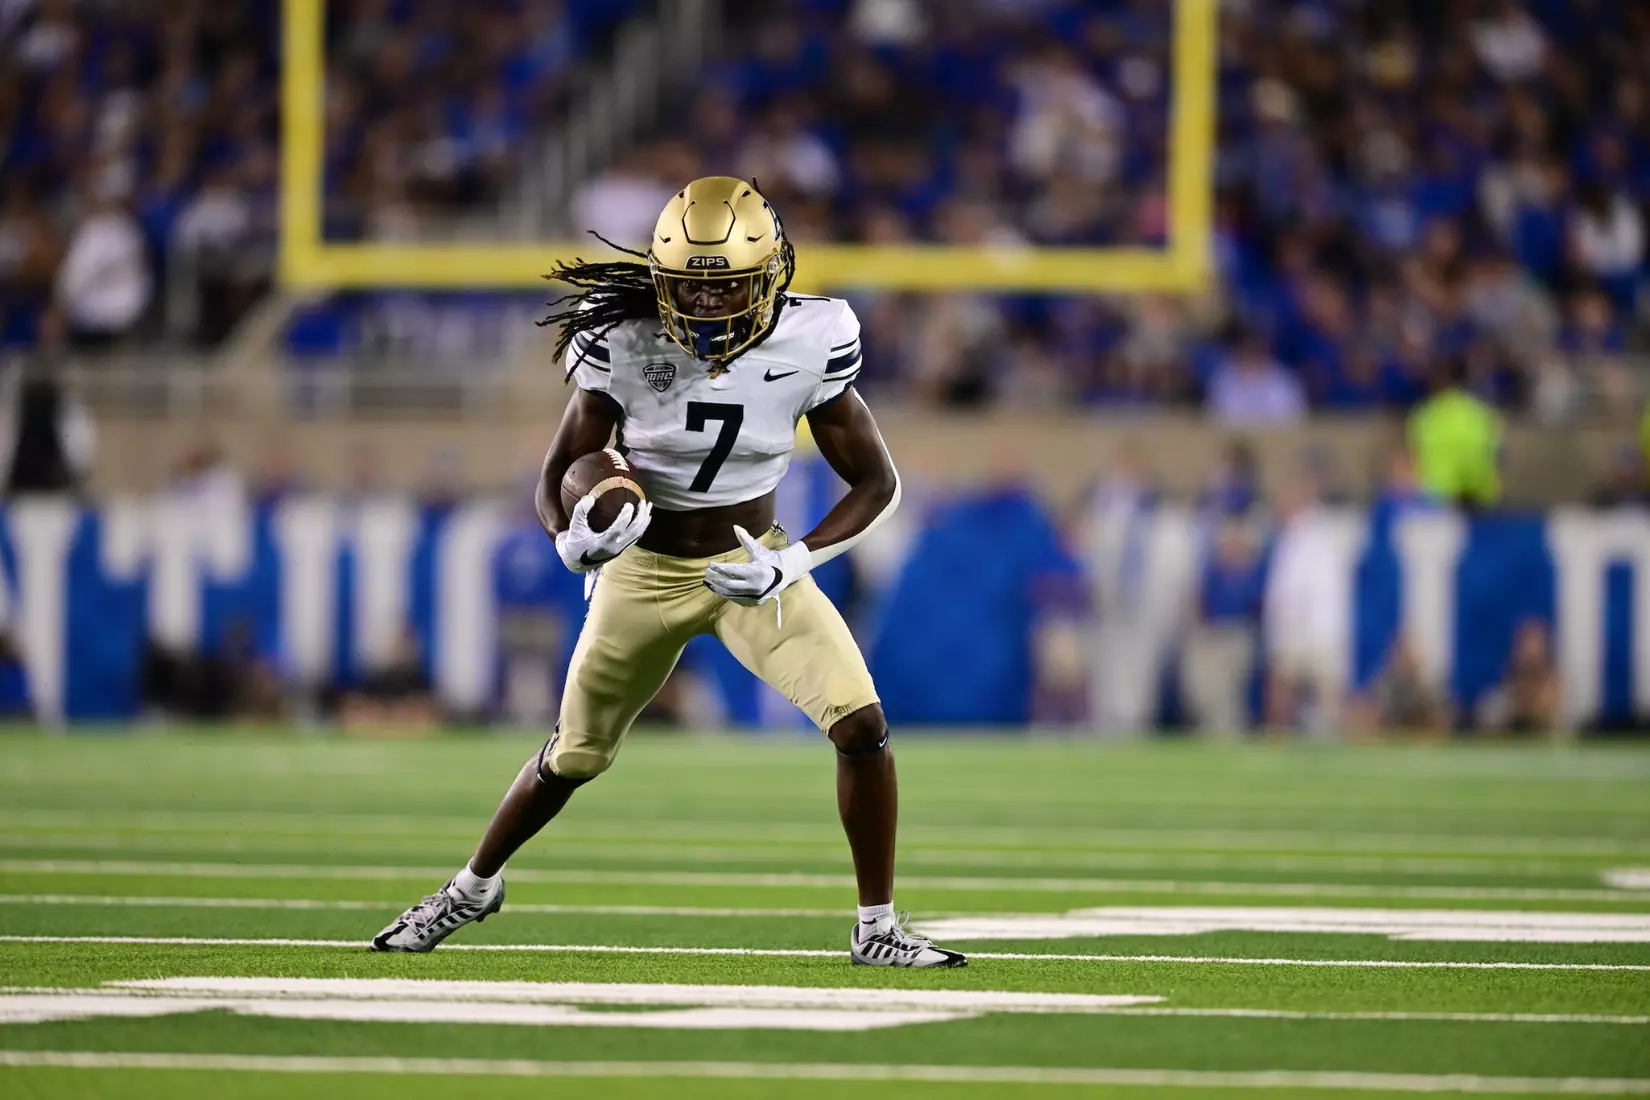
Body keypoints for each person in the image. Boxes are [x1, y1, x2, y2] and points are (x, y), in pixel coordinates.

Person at [373, 177, 965, 967]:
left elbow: (877, 482)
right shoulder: (621, 335)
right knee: (573, 755)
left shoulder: (812, 336)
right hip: (642, 574)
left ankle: (878, 928)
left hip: (752, 566)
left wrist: (795, 558)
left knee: (862, 725)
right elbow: (558, 476)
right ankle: (471, 889)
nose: (709, 307)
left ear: (769, 277)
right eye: (690, 287)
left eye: (726, 288)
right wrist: (567, 539)